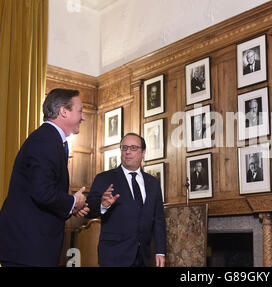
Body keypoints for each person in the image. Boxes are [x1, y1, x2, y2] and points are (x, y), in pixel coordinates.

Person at [0, 88, 89, 267]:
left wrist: (70, 206)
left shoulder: (50, 140)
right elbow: (42, 192)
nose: (83, 117)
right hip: (27, 247)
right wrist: (73, 202)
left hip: (31, 246)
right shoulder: (45, 141)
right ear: (64, 111)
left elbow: (41, 190)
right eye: (80, 110)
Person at [86, 133, 166, 267]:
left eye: (134, 148)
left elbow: (158, 220)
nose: (128, 151)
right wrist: (102, 205)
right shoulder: (104, 178)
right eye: (124, 148)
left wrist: (160, 251)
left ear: (143, 153)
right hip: (114, 256)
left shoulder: (153, 183)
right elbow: (89, 209)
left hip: (144, 257)